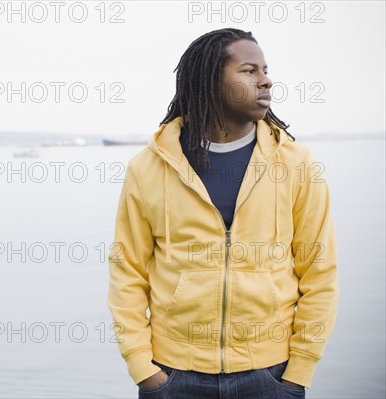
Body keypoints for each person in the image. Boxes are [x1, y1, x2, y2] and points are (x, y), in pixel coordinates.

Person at [107, 28, 339, 399]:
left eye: (265, 69)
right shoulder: (148, 168)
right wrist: (143, 369)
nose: (266, 81)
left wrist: (300, 370)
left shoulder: (296, 165)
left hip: (271, 374)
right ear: (210, 81)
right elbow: (127, 272)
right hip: (174, 375)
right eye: (249, 71)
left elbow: (319, 270)